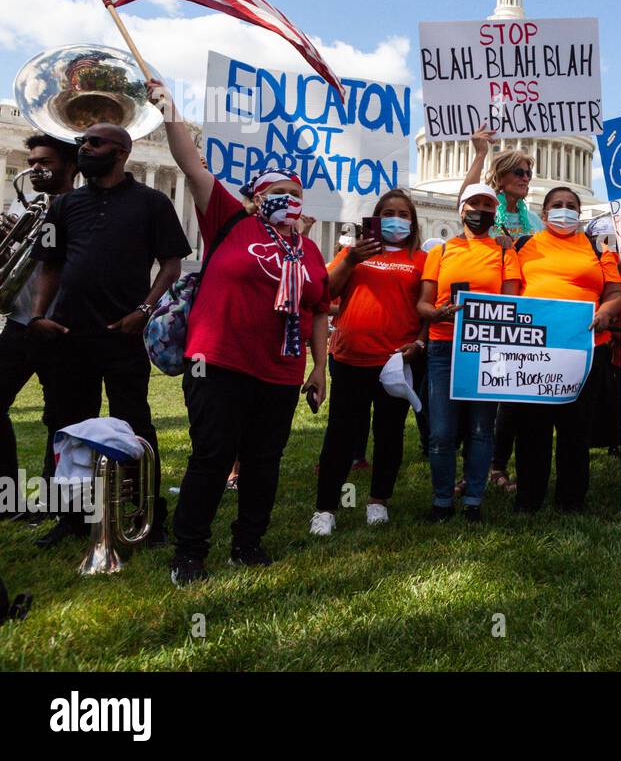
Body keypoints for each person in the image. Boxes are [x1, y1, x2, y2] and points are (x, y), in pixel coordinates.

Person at [149, 80, 330, 585]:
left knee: (263, 461)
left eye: (294, 193)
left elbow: (317, 310)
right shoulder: (228, 220)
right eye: (277, 192)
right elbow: (191, 164)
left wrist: (320, 369)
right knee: (211, 456)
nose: (288, 199)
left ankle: (248, 544)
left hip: (279, 369)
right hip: (219, 361)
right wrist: (169, 112)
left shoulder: (309, 250)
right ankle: (190, 552)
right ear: (256, 196)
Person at [28, 121, 189, 547]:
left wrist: (144, 309)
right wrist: (40, 313)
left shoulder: (152, 202)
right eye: (82, 142)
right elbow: (50, 264)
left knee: (134, 421)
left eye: (94, 143)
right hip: (68, 330)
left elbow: (171, 264)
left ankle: (146, 514)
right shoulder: (63, 206)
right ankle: (72, 517)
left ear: (120, 151)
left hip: (122, 331)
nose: (84, 148)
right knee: (68, 425)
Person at [310, 191, 427, 535]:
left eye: (403, 213)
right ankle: (327, 507)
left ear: (412, 220)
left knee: (389, 434)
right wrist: (350, 259)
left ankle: (378, 501)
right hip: (350, 355)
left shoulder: (420, 259)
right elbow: (324, 292)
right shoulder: (354, 254)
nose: (396, 218)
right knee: (341, 434)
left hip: (395, 360)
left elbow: (426, 305)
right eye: (388, 212)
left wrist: (419, 342)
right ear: (375, 218)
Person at [513, 186, 621, 514]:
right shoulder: (525, 246)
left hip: (586, 348)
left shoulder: (598, 248)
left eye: (571, 206)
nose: (565, 211)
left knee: (576, 426)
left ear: (579, 213)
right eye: (557, 205)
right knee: (532, 426)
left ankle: (571, 498)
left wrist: (605, 312)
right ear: (544, 214)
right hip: (536, 349)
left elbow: (615, 293)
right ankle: (529, 496)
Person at [416, 183, 522, 523]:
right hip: (444, 345)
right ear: (461, 209)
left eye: (487, 205)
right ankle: (441, 500)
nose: (481, 210)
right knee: (442, 431)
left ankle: (474, 499)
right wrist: (435, 313)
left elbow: (511, 304)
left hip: (487, 348)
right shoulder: (441, 252)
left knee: (480, 429)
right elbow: (423, 302)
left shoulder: (506, 252)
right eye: (474, 204)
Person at [0, 135, 76, 521]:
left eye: (43, 161)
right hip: (19, 320)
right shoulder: (22, 202)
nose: (33, 168)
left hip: (62, 327)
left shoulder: (81, 207)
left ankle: (51, 504)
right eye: (30, 161)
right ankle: (8, 497)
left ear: (70, 165)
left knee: (60, 416)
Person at [462, 128, 541, 241]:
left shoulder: (534, 220)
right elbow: (466, 198)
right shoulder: (487, 215)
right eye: (519, 173)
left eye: (528, 173)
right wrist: (480, 154)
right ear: (500, 179)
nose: (525, 178)